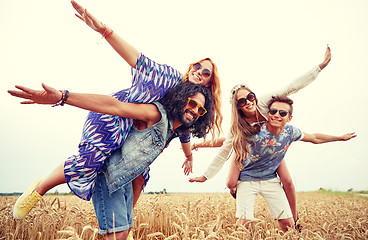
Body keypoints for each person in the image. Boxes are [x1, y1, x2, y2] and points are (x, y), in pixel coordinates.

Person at [9, 81, 215, 239]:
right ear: (181, 99)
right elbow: (115, 106)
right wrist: (64, 96)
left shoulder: (175, 130)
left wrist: (189, 157)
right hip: (108, 177)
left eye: (201, 109)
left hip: (124, 180)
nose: (196, 110)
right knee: (118, 233)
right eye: (192, 103)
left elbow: (187, 141)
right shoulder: (155, 114)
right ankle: (40, 187)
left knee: (123, 232)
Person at [70, 0, 223, 205]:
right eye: (197, 65)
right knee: (91, 160)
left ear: (209, 82)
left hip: (141, 138)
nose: (199, 71)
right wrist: (105, 31)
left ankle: (126, 223)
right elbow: (140, 61)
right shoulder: (171, 79)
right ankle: (41, 187)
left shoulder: (196, 106)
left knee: (140, 177)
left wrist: (189, 156)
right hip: (115, 117)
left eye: (206, 72)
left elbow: (185, 133)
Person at [190, 45, 332, 225]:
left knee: (287, 181)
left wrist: (320, 66)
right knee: (231, 181)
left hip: (273, 148)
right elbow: (224, 149)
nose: (248, 102)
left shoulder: (265, 103)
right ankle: (239, 191)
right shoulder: (238, 128)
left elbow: (291, 87)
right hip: (252, 152)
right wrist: (205, 175)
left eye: (250, 97)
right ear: (237, 107)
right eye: (242, 101)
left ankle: (295, 219)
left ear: (254, 96)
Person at [227, 95, 356, 232]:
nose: (277, 115)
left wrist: (340, 138)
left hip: (270, 179)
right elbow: (229, 141)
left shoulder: (291, 132)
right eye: (273, 111)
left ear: (289, 118)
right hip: (247, 180)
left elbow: (314, 138)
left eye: (282, 113)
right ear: (268, 113)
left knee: (289, 225)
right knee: (244, 225)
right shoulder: (255, 130)